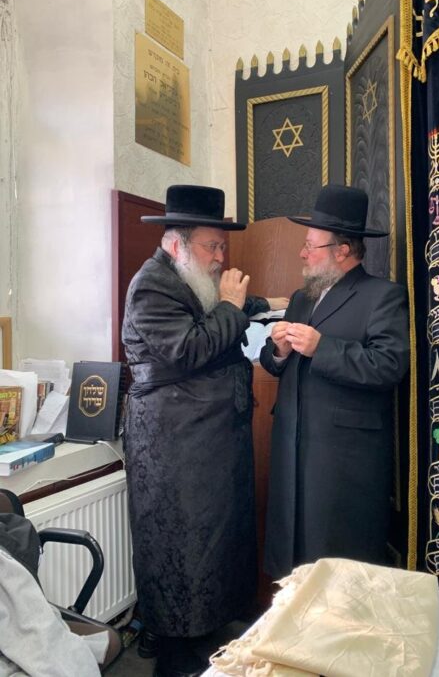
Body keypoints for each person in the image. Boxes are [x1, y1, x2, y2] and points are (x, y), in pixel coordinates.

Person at [122, 184, 287, 677]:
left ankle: (212, 632)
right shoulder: (150, 286)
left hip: (210, 439)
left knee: (215, 543)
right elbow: (190, 347)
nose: (220, 257)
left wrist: (271, 303)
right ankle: (179, 651)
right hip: (173, 446)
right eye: (212, 246)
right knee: (183, 549)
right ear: (178, 243)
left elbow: (220, 304)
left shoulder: (187, 276)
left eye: (222, 246)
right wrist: (235, 307)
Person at [260, 184, 410, 579]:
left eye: (311, 245)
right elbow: (274, 363)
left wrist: (321, 347)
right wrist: (279, 351)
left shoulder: (382, 296)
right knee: (292, 563)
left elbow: (389, 365)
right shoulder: (301, 298)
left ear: (342, 251)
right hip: (291, 451)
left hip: (343, 462)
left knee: (336, 565)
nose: (302, 253)